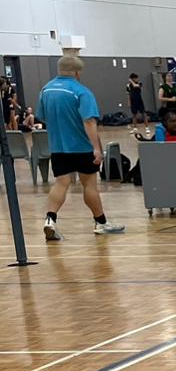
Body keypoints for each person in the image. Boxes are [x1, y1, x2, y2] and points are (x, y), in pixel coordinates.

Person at [39, 54, 126, 240]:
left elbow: (43, 117)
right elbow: (89, 122)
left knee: (61, 183)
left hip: (58, 147)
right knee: (89, 184)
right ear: (77, 72)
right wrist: (97, 148)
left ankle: (50, 220)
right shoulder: (82, 92)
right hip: (82, 147)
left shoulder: (46, 90)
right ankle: (101, 223)